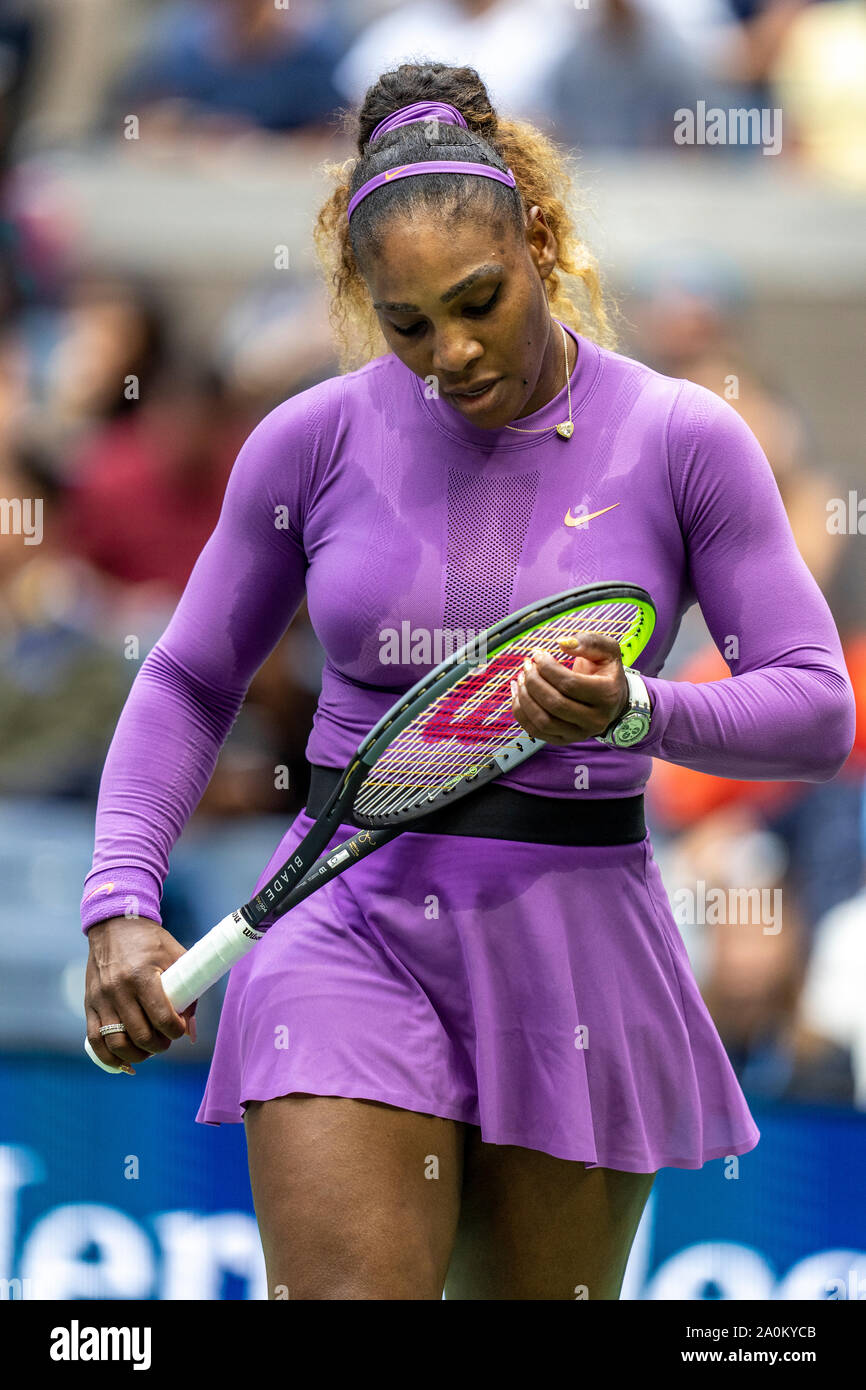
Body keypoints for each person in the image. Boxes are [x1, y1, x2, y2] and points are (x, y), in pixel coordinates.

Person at [81, 63, 855, 1301]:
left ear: (538, 239)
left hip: (580, 946)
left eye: (478, 302)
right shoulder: (310, 440)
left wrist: (639, 710)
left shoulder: (681, 439)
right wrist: (119, 894)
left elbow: (816, 712)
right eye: (405, 323)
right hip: (343, 923)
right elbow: (186, 677)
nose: (450, 352)